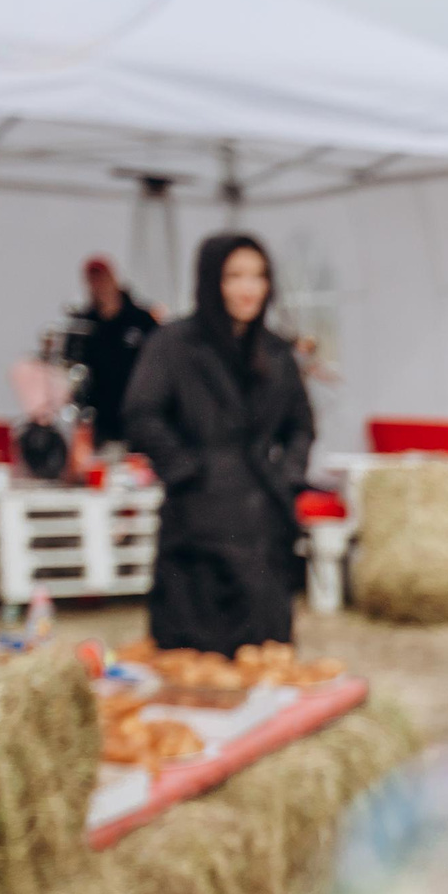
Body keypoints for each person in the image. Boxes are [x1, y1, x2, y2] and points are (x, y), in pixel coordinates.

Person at [120, 233, 316, 656]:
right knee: (195, 655)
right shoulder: (173, 345)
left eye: (259, 276)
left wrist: (288, 476)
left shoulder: (276, 352)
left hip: (264, 517)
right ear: (212, 281)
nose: (249, 288)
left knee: (264, 652)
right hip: (197, 519)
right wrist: (186, 470)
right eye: (235, 276)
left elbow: (301, 425)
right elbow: (141, 413)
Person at [64, 255, 160, 449]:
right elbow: (69, 370)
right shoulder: (83, 325)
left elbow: (161, 364)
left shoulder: (141, 320)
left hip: (139, 418)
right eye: (93, 280)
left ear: (113, 278)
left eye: (102, 278)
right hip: (99, 423)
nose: (99, 285)